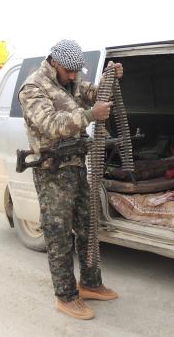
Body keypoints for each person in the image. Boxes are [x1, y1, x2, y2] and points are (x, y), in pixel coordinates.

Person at [18, 39, 123, 320]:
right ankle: (65, 296)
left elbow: (93, 92)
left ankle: (90, 283)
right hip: (52, 172)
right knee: (59, 235)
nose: (75, 77)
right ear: (54, 62)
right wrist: (90, 115)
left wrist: (109, 77)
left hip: (76, 166)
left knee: (88, 227)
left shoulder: (71, 80)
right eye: (69, 71)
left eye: (77, 72)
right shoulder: (33, 88)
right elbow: (51, 125)